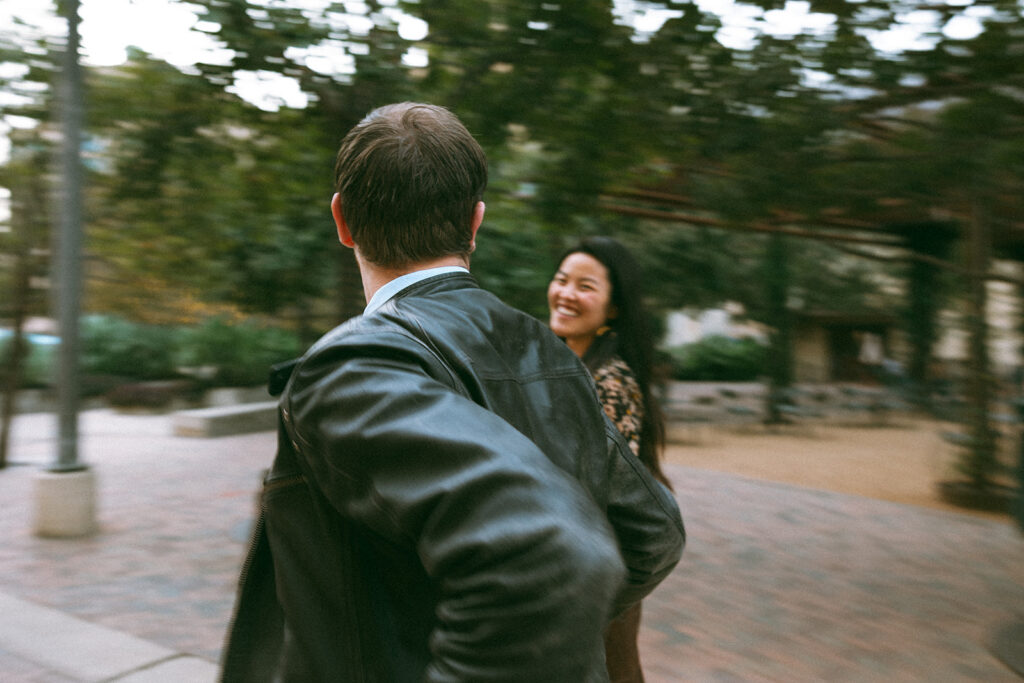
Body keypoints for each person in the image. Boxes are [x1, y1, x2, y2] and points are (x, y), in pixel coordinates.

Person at [220, 103, 685, 682]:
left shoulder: (349, 367)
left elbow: (557, 554)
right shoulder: (551, 352)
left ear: (342, 221)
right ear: (475, 222)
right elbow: (654, 534)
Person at [547, 236, 670, 683]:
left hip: (596, 566)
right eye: (561, 280)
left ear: (613, 308)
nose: (566, 293)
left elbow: (597, 489)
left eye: (585, 286)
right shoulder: (561, 364)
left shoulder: (611, 381)